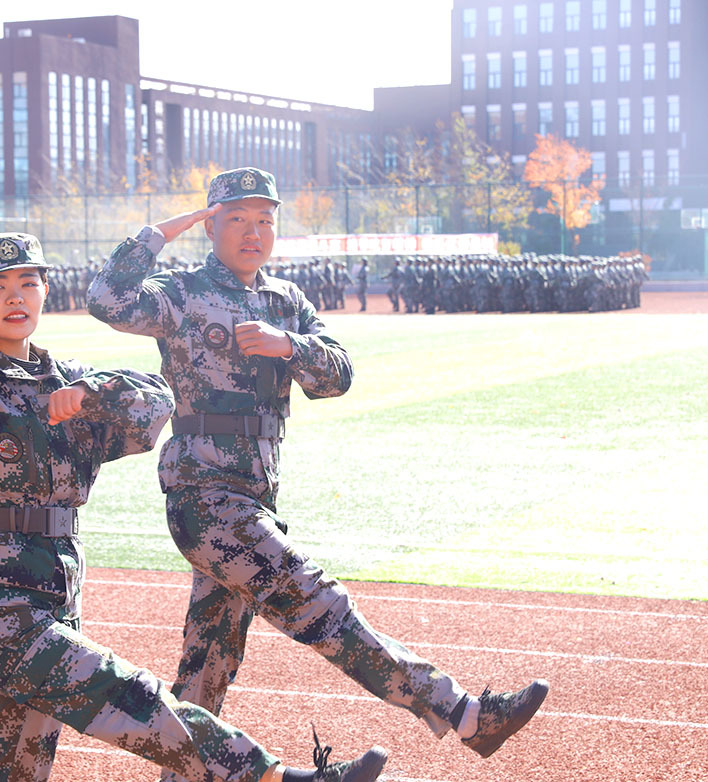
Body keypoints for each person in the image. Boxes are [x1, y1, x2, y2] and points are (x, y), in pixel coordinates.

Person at [0, 233, 389, 782]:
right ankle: (275, 777)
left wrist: (94, 393)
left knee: (17, 762)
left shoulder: (71, 379)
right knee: (132, 696)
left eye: (28, 284)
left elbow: (156, 404)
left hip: (60, 587)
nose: (16, 298)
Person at [87, 167, 549, 781]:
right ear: (211, 224)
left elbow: (339, 374)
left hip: (256, 494)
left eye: (265, 221)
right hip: (205, 497)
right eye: (237, 220)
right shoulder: (182, 292)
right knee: (320, 603)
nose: (254, 233)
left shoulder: (286, 302)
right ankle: (461, 712)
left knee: (208, 666)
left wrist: (290, 347)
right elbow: (106, 298)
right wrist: (162, 232)